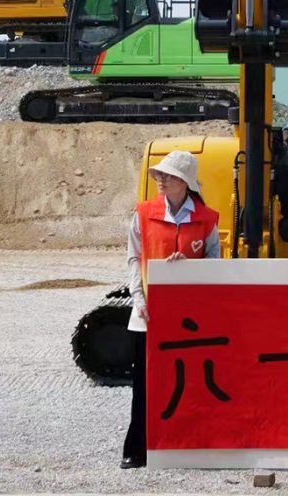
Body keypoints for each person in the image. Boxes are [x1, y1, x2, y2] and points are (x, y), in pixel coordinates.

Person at [121, 150, 220, 469]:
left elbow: (215, 263)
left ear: (185, 183)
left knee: (189, 382)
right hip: (148, 314)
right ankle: (137, 449)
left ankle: (186, 446)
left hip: (190, 320)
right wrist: (138, 298)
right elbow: (134, 258)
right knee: (145, 383)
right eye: (159, 174)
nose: (160, 180)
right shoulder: (143, 213)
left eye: (168, 175)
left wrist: (189, 265)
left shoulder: (207, 219)